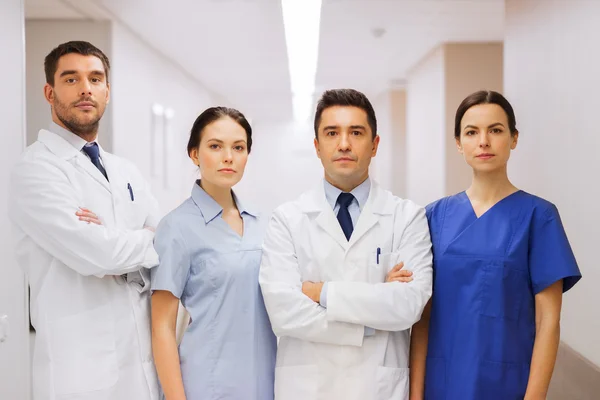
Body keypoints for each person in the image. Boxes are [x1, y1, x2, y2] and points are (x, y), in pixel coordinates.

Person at [9, 41, 161, 399]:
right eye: (71, 79)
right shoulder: (35, 170)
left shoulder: (126, 170)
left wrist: (113, 243)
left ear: (107, 91)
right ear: (50, 92)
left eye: (95, 78)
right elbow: (100, 254)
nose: (85, 89)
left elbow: (168, 243)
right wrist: (133, 242)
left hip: (139, 364)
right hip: (79, 371)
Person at [259, 88, 433, 400]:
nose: (344, 144)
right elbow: (283, 312)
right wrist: (370, 321)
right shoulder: (287, 219)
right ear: (316, 146)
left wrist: (319, 292)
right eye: (331, 133)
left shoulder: (407, 216)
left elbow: (409, 305)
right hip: (308, 388)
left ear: (375, 144)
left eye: (356, 132)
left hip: (378, 386)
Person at [409, 90, 582, 400]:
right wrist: (416, 395)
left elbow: (548, 321)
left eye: (496, 130)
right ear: (458, 143)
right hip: (442, 380)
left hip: (507, 383)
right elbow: (423, 318)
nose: (483, 141)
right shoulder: (434, 216)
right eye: (472, 132)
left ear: (514, 138)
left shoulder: (538, 216)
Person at [150, 107, 277, 400]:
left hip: (266, 380)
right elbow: (162, 328)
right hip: (206, 384)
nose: (228, 157)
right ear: (194, 154)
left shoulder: (264, 224)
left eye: (238, 147)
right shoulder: (177, 227)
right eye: (215, 146)